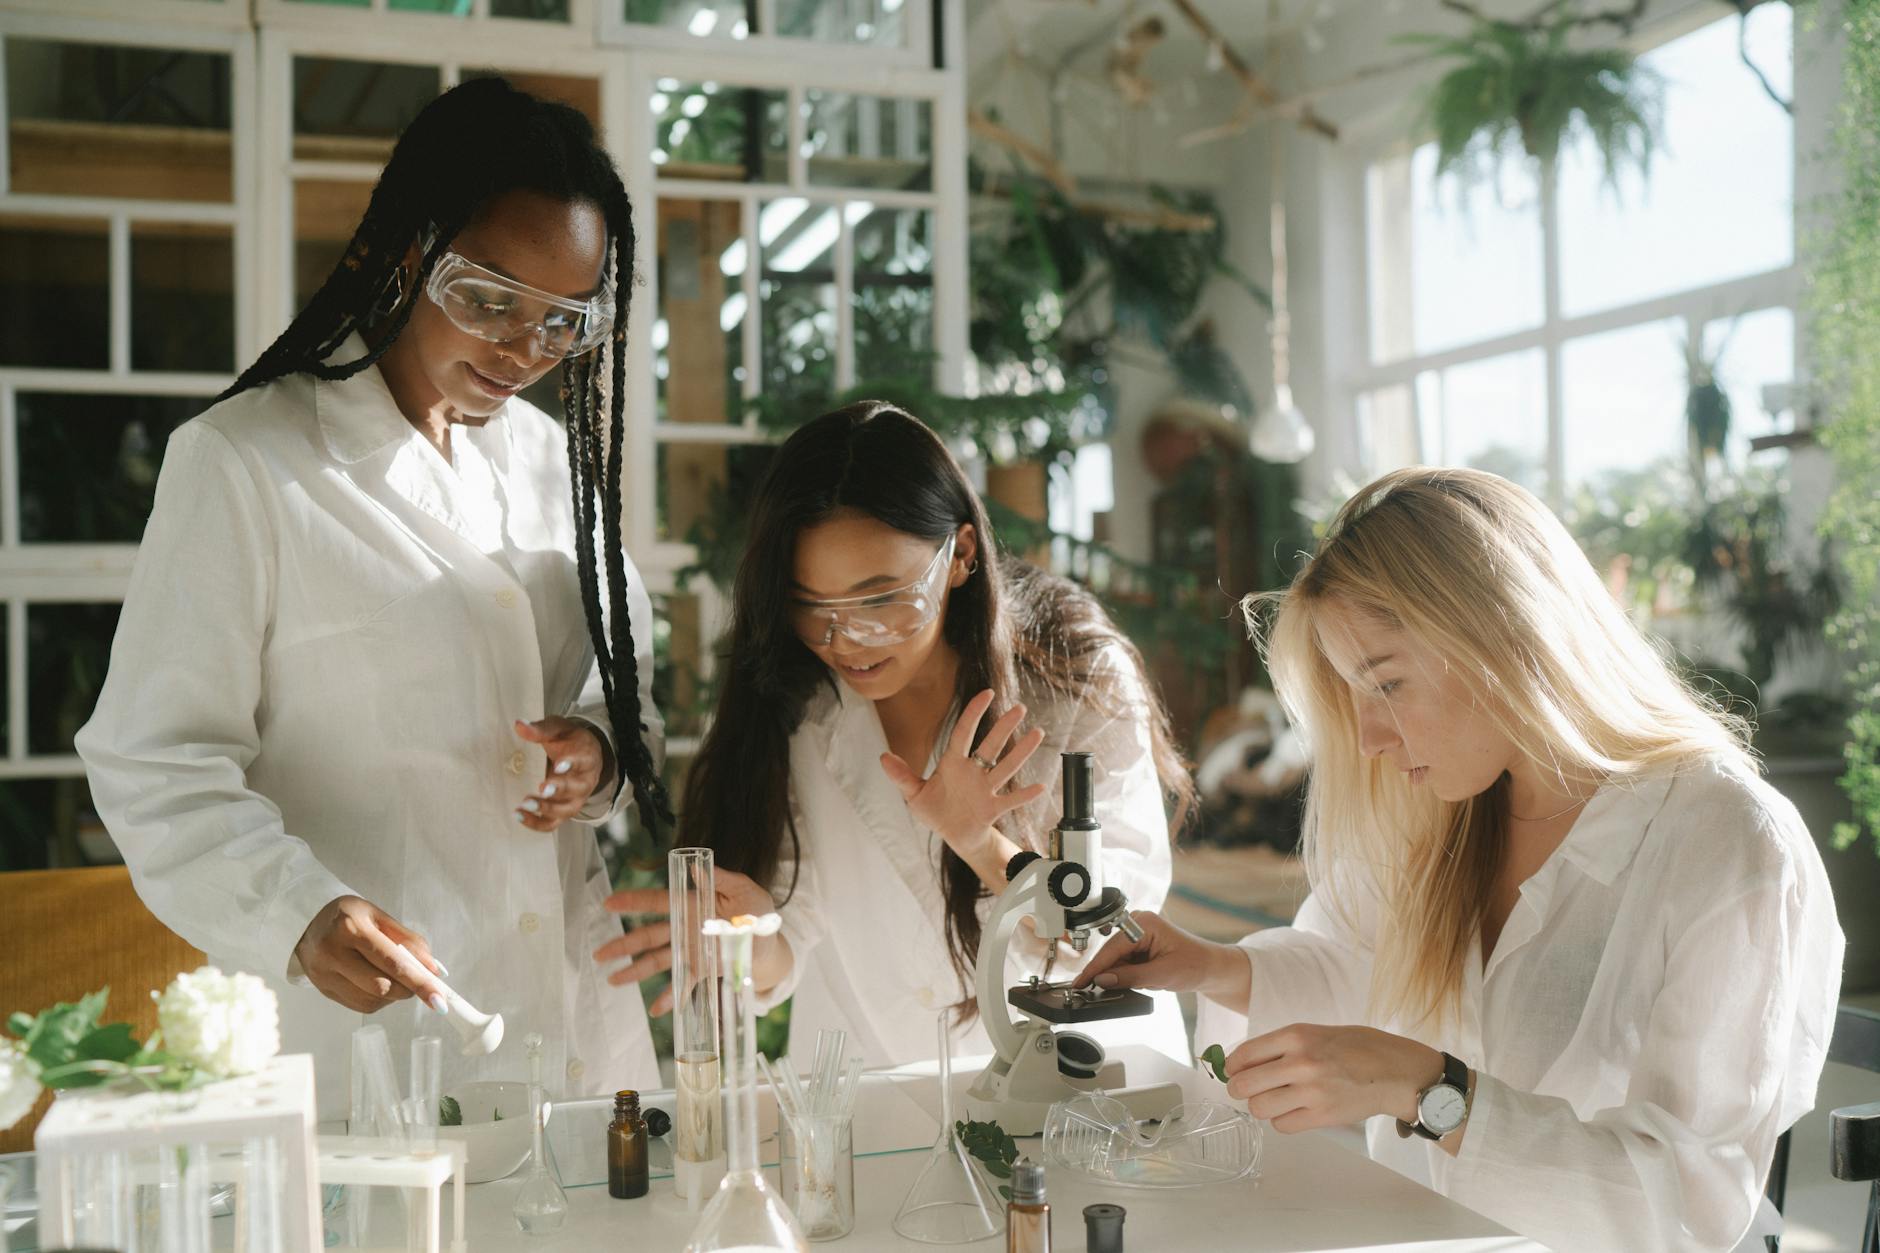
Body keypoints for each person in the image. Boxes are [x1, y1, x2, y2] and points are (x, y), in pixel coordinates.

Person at [76, 77, 668, 1118]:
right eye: (490, 299)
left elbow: (628, 690)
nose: (522, 351)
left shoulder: (552, 463)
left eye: (560, 322)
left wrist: (600, 752)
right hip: (374, 1030)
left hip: (574, 1016)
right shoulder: (246, 462)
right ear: (405, 254)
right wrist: (298, 910)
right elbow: (155, 761)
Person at [1073, 466, 1844, 1252]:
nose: (1369, 738)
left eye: (1387, 685)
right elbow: (1358, 964)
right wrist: (1212, 966)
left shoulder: (1724, 841)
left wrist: (1430, 1088)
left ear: (1501, 636)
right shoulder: (1445, 809)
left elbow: (1686, 1204)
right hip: (1424, 1234)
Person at [596, 401, 1195, 1067]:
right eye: (812, 606)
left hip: (1078, 1081)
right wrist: (753, 942)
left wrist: (980, 842)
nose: (846, 640)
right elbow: (793, 931)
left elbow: (1115, 934)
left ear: (961, 553)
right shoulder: (797, 699)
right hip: (874, 1085)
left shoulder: (1077, 676)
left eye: (881, 600)